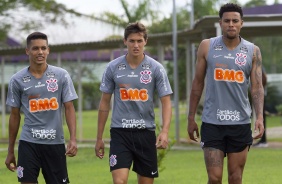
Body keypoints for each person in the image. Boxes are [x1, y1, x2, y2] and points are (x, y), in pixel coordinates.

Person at [187, 3, 264, 184]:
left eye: (235, 21)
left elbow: (257, 87)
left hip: (240, 123)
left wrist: (259, 117)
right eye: (227, 20)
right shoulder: (207, 46)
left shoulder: (253, 51)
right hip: (212, 122)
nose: (231, 24)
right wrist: (191, 118)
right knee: (214, 178)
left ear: (241, 23)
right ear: (220, 23)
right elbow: (197, 83)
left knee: (235, 178)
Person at [95, 22, 173, 184]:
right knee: (119, 181)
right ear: (125, 41)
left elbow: (166, 101)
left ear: (146, 41)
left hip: (145, 133)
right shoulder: (113, 67)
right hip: (120, 133)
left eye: (139, 41)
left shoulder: (156, 68)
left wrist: (164, 131)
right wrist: (99, 137)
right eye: (132, 41)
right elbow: (104, 103)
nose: (136, 45)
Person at [5, 32, 78, 184]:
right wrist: (10, 150)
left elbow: (69, 107)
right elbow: (14, 115)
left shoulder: (61, 75)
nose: (40, 52)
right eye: (35, 48)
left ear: (48, 50)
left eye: (43, 48)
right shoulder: (16, 80)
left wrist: (72, 139)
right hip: (28, 143)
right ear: (27, 51)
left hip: (55, 143)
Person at [254, 67, 268, 147]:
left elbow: (264, 79)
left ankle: (263, 140)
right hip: (260, 97)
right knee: (261, 119)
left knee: (261, 119)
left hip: (260, 98)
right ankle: (262, 140)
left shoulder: (259, 67)